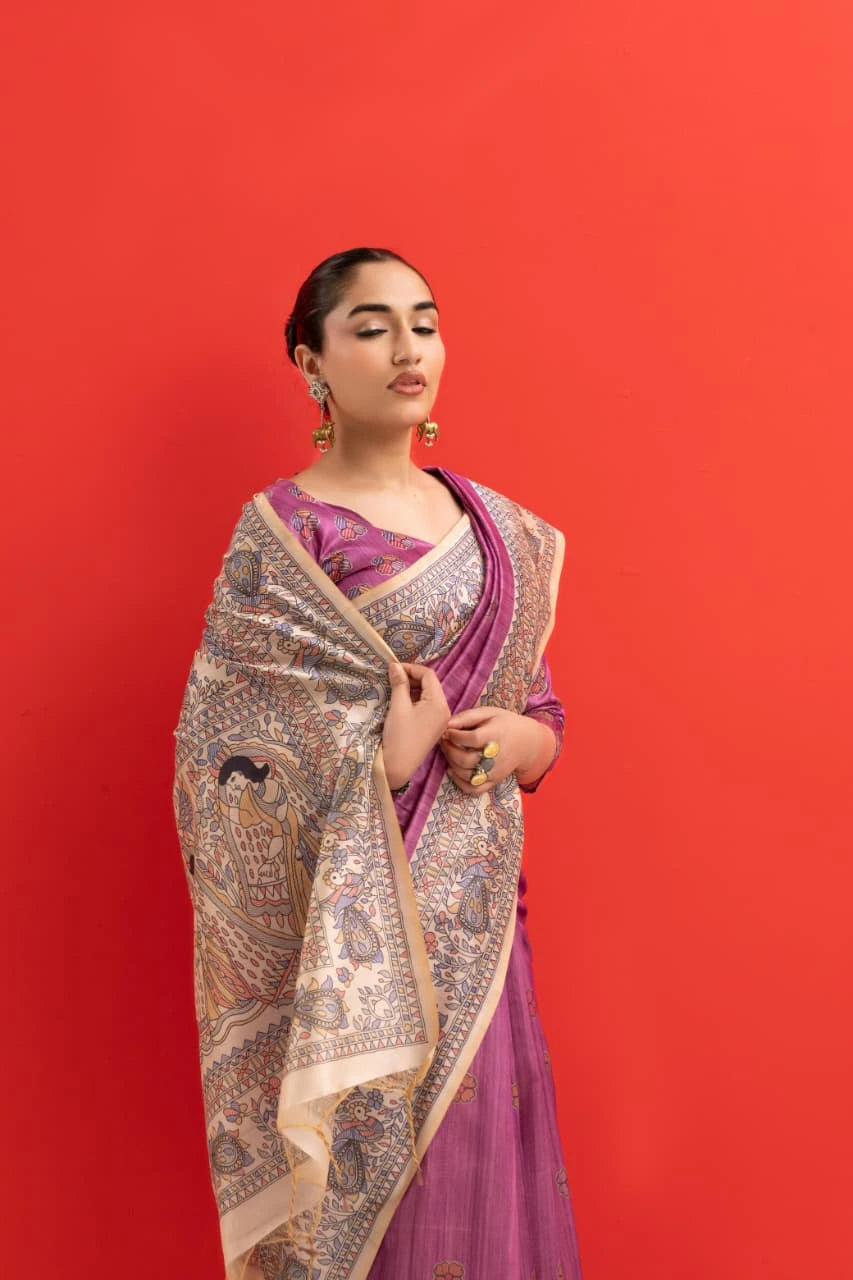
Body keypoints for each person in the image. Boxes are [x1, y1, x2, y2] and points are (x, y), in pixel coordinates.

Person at [173, 247, 584, 1280]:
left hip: (479, 924)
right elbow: (221, 764)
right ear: (310, 359)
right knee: (383, 1198)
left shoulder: (499, 533)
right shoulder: (286, 534)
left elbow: (539, 709)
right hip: (359, 956)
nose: (408, 348)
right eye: (370, 326)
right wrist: (379, 767)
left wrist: (521, 743)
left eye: (424, 322)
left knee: (483, 1180)